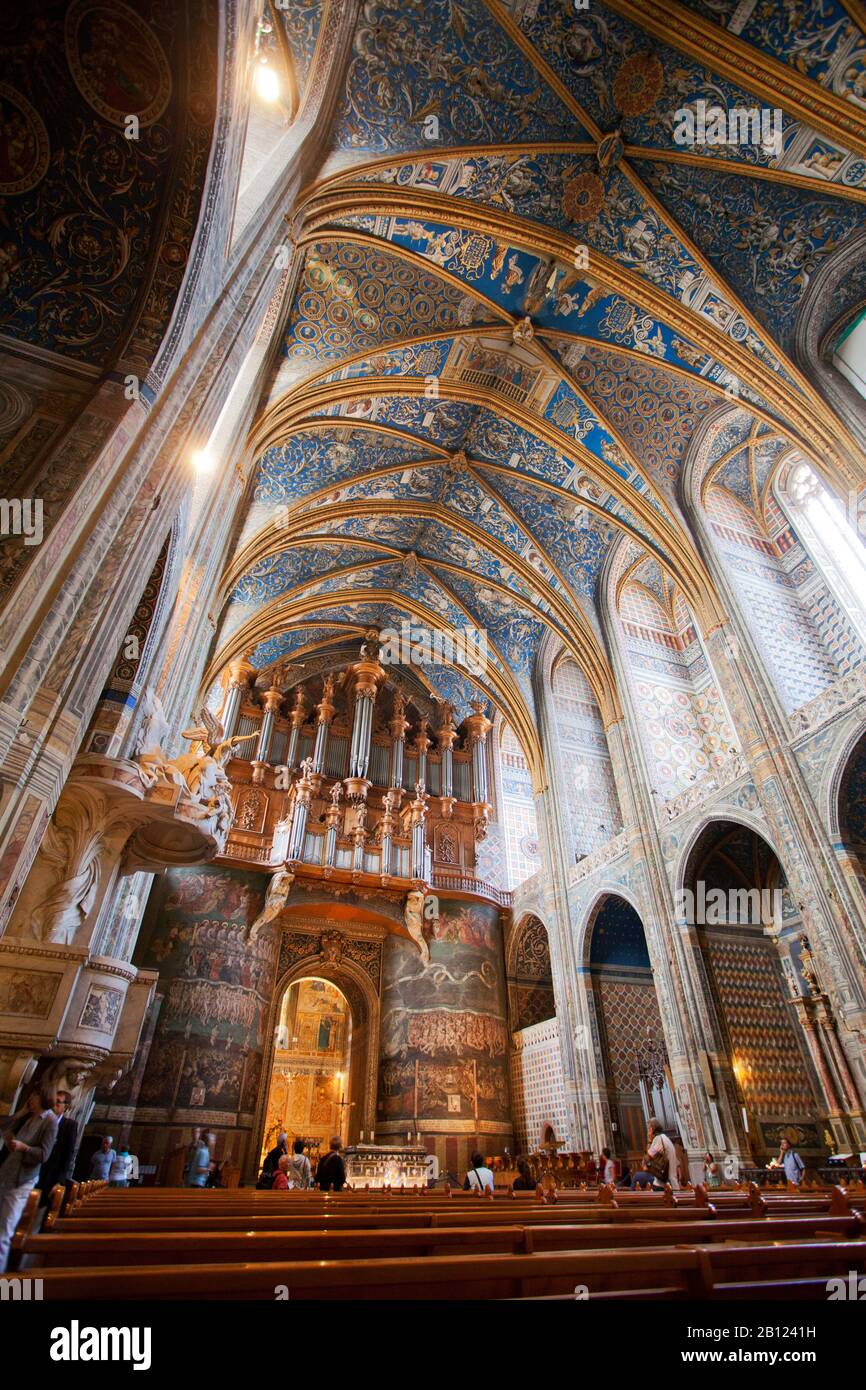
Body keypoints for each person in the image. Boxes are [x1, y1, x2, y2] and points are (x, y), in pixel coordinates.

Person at [0, 1086, 58, 1272]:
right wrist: (21, 1112)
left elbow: (44, 1154)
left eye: (34, 1095)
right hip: (6, 1174)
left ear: (42, 1097)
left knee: (4, 1231)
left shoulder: (50, 1122)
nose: (31, 1098)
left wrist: (24, 1148)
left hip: (22, 1180)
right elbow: (3, 1126)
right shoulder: (29, 1116)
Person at [37, 1091, 77, 1208]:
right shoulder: (40, 1119)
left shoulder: (69, 1126)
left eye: (58, 1102)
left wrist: (59, 1181)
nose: (54, 1105)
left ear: (66, 1107)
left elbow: (68, 1154)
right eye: (53, 1101)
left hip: (49, 1176)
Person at [631, 1118, 679, 1191]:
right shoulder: (666, 1138)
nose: (647, 1132)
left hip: (663, 1183)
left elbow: (646, 1160)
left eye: (648, 1129)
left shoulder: (658, 1139)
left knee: (637, 1177)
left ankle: (630, 1200)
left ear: (651, 1129)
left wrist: (649, 1141)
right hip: (672, 1182)